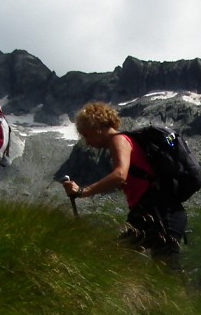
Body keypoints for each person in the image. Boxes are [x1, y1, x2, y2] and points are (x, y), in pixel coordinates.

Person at [62, 102, 187, 263]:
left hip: (160, 214)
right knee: (119, 256)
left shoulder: (118, 140)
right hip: (154, 213)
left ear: (97, 127)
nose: (86, 142)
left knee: (119, 257)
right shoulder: (125, 140)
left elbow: (120, 175)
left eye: (86, 135)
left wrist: (82, 191)